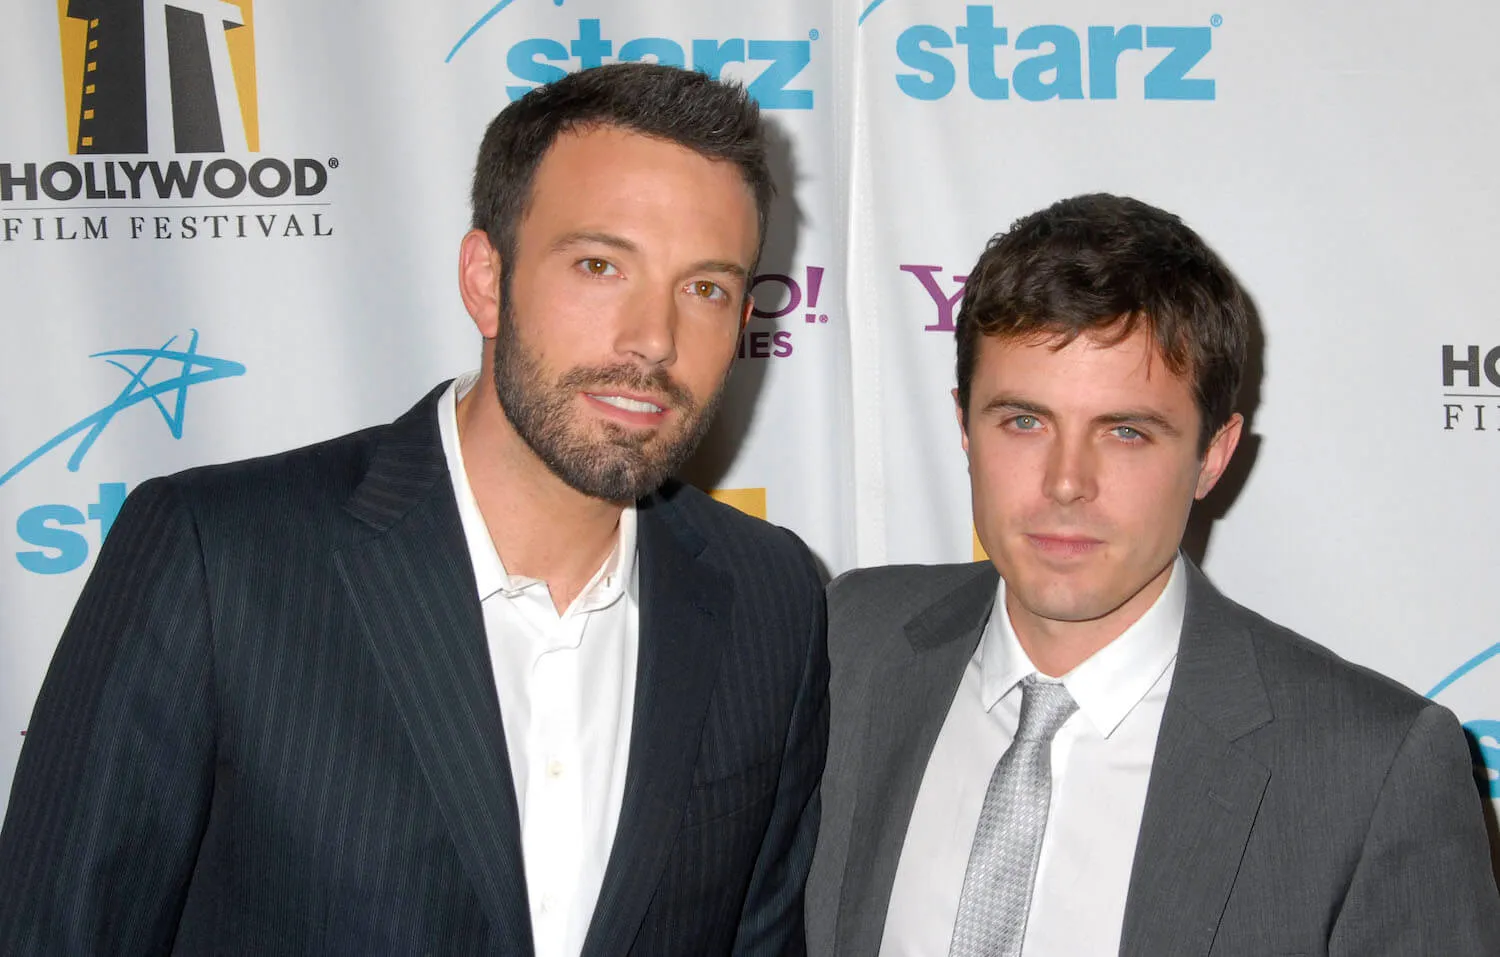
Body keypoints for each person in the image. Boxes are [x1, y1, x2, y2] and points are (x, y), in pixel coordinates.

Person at [0, 63, 828, 957]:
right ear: (485, 277)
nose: (654, 339)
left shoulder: (770, 593)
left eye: (704, 288)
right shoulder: (216, 558)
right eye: (599, 264)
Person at [806, 193, 1499, 956]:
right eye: (1024, 421)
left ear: (1213, 454)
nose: (1067, 482)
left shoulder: (1370, 772)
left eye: (1127, 431)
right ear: (963, 425)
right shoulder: (847, 642)